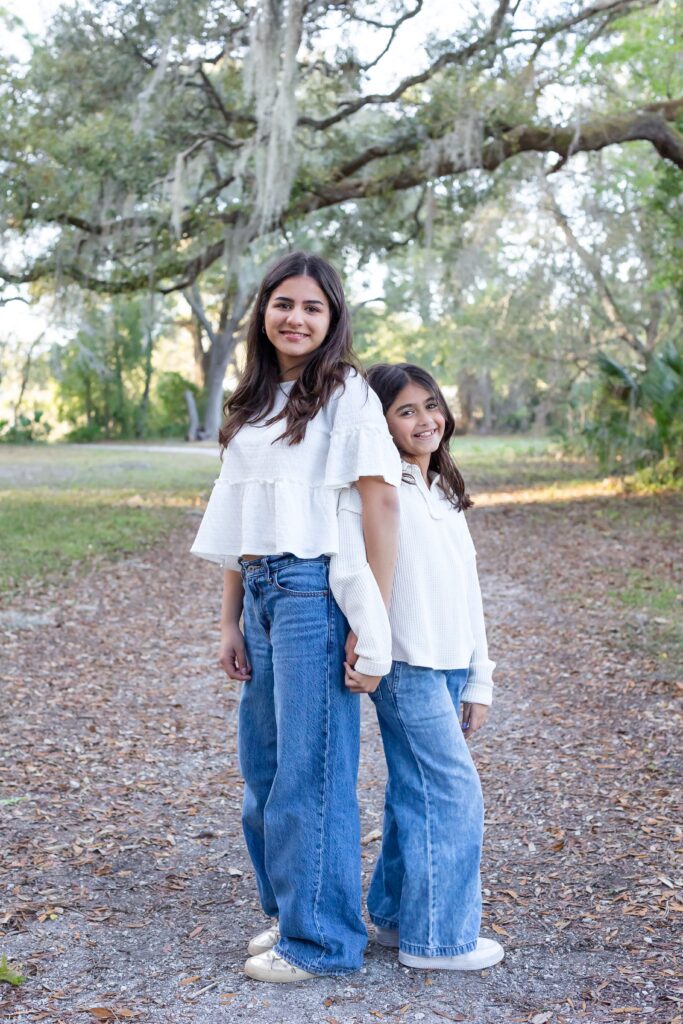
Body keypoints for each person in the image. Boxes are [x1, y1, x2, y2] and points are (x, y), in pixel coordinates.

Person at [190, 253, 401, 982]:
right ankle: (292, 913)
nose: (296, 318)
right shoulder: (251, 400)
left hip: (313, 593)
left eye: (313, 307)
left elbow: (380, 504)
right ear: (264, 312)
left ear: (332, 319)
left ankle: (323, 943)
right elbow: (234, 517)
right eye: (284, 303)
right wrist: (227, 622)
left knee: (310, 773)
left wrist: (371, 622)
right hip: (259, 590)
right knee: (266, 768)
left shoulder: (346, 393)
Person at [329, 362, 504, 972]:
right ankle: (440, 939)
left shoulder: (444, 492)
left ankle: (398, 918)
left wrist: (479, 678)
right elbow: (359, 578)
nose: (425, 420)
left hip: (451, 661)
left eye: (431, 405)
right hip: (406, 663)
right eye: (405, 411)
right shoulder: (382, 489)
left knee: (415, 789)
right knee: (453, 792)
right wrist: (373, 647)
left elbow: (469, 591)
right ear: (380, 424)